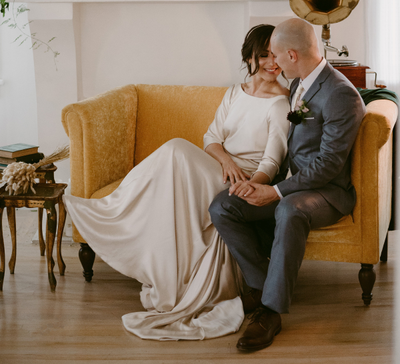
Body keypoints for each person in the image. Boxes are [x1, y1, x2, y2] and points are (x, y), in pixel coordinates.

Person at [63, 24, 290, 341]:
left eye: (276, 55)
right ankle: (138, 227)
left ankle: (115, 206)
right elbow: (211, 138)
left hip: (243, 179)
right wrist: (225, 160)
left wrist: (252, 185)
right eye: (264, 55)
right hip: (218, 167)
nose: (271, 63)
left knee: (175, 150)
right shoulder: (235, 92)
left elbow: (272, 160)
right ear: (250, 55)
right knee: (176, 155)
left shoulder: (281, 104)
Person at [209, 18, 366, 352]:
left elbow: (328, 165)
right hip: (292, 184)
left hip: (327, 192)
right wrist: (263, 183)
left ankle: (270, 312)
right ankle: (262, 286)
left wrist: (276, 190)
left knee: (289, 208)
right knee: (223, 205)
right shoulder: (300, 83)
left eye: (277, 57)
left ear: (292, 55)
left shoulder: (340, 95)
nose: (274, 65)